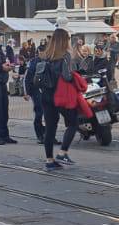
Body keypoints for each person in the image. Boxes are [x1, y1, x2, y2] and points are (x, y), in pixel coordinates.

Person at [33, 29, 83, 170]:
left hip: (46, 96)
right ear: (64, 40)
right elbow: (67, 76)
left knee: (50, 128)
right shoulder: (65, 56)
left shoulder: (45, 55)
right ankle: (63, 152)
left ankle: (49, 160)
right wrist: (77, 77)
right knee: (73, 123)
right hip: (60, 96)